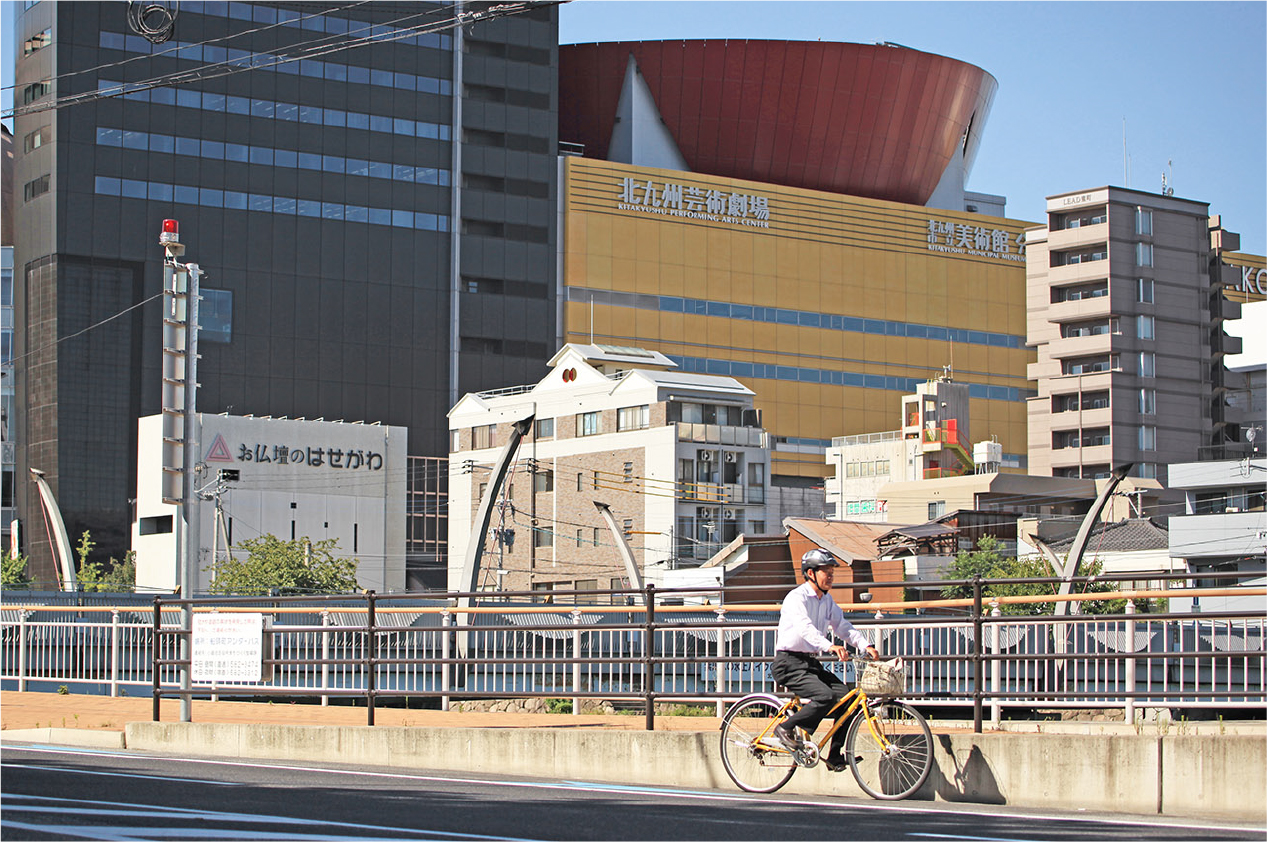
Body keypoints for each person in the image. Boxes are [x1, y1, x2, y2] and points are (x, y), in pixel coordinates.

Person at [771, 547, 879, 772]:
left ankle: (835, 755)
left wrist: (864, 644)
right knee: (826, 696)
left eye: (831, 572)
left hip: (809, 663)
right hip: (788, 663)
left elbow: (842, 626)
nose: (830, 576)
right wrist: (829, 646)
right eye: (825, 571)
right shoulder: (796, 598)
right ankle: (785, 728)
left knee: (848, 702)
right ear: (810, 573)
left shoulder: (826, 600)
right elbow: (804, 629)